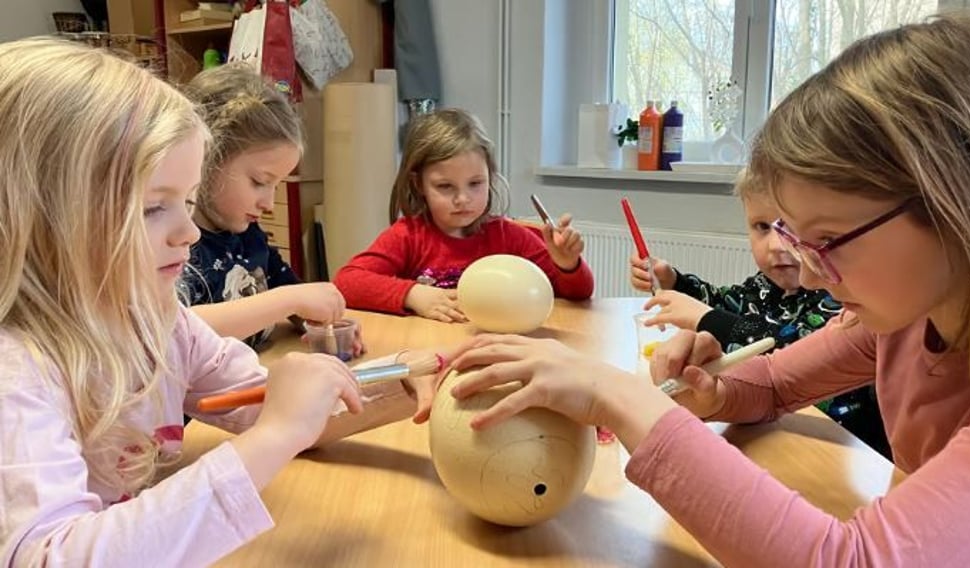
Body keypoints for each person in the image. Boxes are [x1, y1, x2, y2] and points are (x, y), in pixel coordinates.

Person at [444, 15, 970, 566]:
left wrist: (617, 396)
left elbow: (851, 560)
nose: (812, 272)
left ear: (966, 207)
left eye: (829, 238)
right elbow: (772, 383)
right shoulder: (905, 319)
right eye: (799, 237)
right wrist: (714, 393)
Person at [0, 39, 435, 566]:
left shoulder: (160, 323)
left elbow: (277, 408)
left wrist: (398, 382)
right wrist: (276, 434)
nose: (188, 231)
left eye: (186, 202)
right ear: (37, 216)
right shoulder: (16, 371)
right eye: (154, 208)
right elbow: (50, 556)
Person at [631, 169, 888, 457]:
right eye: (763, 227)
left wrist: (708, 319)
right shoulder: (764, 286)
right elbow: (727, 307)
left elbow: (791, 353)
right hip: (774, 437)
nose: (778, 245)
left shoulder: (844, 299)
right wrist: (676, 282)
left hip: (840, 449)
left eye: (790, 229)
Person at [334, 108, 594, 322]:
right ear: (418, 185)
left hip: (497, 350)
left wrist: (567, 265)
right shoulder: (408, 236)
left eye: (475, 183)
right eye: (445, 186)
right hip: (429, 350)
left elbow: (578, 294)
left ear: (490, 176)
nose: (462, 199)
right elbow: (347, 282)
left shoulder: (510, 237)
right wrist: (413, 294)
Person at [181, 63, 361, 355]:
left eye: (277, 185)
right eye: (259, 182)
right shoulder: (178, 243)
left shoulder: (248, 234)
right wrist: (286, 300)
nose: (268, 203)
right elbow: (176, 329)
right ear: (205, 160)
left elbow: (292, 293)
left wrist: (321, 322)